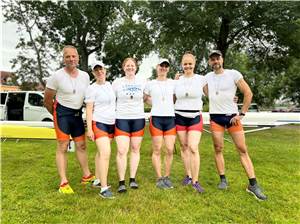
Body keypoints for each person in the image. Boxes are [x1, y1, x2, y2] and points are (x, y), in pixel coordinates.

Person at [205, 50, 267, 201]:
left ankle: (253, 184)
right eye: (212, 59)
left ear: (222, 59)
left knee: (242, 149)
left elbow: (248, 93)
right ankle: (223, 180)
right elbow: (205, 91)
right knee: (218, 148)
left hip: (233, 118)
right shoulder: (206, 78)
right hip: (216, 118)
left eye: (217, 58)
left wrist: (242, 114)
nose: (215, 61)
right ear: (209, 62)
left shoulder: (233, 74)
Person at [44, 45, 95, 194]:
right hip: (62, 114)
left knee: (82, 146)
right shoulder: (56, 76)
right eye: (68, 56)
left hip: (77, 114)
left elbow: (87, 97)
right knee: (63, 146)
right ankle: (63, 182)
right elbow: (47, 100)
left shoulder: (85, 76)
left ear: (78, 57)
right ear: (63, 59)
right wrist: (56, 114)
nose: (71, 59)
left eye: (74, 56)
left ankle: (86, 175)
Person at [112, 57, 146, 193]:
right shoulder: (117, 82)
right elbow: (110, 99)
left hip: (138, 118)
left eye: (132, 65)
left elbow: (148, 97)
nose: (130, 67)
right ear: (123, 67)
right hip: (122, 119)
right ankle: (121, 181)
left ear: (136, 67)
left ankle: (132, 179)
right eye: (127, 65)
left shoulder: (143, 81)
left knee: (135, 149)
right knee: (121, 150)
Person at [174, 52, 207, 193]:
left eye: (190, 63)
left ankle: (195, 181)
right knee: (184, 146)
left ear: (194, 64)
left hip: (194, 117)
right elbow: (172, 99)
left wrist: (232, 99)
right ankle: (188, 175)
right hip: (179, 116)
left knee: (193, 147)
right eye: (185, 63)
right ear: (182, 64)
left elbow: (212, 94)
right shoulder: (177, 80)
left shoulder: (201, 79)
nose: (187, 66)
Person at [144, 59, 176, 189]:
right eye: (161, 66)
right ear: (157, 67)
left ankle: (167, 177)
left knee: (169, 149)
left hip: (170, 119)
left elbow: (176, 98)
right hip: (156, 118)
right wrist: (155, 103)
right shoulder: (150, 83)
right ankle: (159, 178)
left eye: (166, 66)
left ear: (168, 69)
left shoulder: (173, 83)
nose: (163, 68)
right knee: (157, 149)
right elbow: (145, 98)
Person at [85, 62, 115, 199]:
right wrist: (89, 129)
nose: (99, 72)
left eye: (101, 69)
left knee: (100, 153)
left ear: (105, 70)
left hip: (111, 123)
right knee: (105, 153)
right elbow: (89, 110)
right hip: (99, 123)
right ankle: (104, 188)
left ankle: (97, 180)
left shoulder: (110, 85)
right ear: (93, 73)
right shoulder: (91, 89)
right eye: (96, 70)